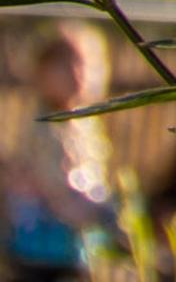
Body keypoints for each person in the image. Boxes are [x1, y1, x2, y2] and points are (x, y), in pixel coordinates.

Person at [3, 22, 110, 280]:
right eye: (64, 65)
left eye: (84, 64)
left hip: (74, 243)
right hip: (41, 243)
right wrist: (77, 209)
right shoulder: (45, 127)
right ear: (40, 72)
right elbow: (52, 179)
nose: (76, 73)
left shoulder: (86, 126)